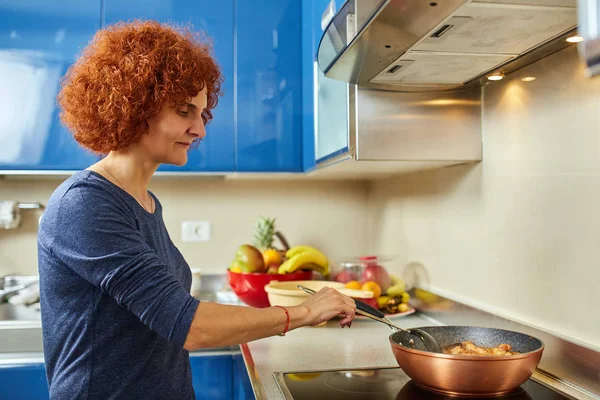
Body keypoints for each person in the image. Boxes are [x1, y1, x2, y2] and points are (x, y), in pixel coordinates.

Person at [37, 20, 356, 400]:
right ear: (136, 103)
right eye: (185, 110)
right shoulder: (84, 203)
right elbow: (189, 325)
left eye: (202, 114)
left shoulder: (147, 203)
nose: (200, 129)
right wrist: (303, 313)